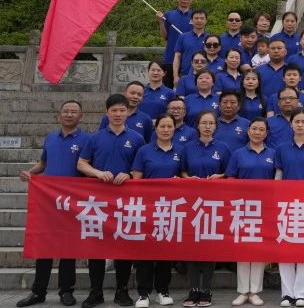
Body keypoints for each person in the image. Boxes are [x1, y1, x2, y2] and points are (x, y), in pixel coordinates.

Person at [17, 100, 89, 308]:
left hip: (72, 202)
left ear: (81, 116)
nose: (69, 115)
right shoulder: (50, 137)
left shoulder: (87, 139)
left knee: (68, 248)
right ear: (59, 115)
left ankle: (66, 291)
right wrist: (29, 172)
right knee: (44, 247)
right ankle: (38, 292)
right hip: (48, 201)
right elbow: (43, 163)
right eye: (66, 111)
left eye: (74, 112)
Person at [76, 93, 145, 308]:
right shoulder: (94, 138)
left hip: (126, 200)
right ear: (107, 113)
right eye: (114, 110)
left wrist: (130, 175)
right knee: (96, 246)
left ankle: (122, 291)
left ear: (127, 113)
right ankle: (95, 292)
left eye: (122, 110)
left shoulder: (137, 138)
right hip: (98, 200)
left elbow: (142, 167)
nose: (118, 114)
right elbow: (81, 164)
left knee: (123, 245)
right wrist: (97, 173)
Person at [131, 116, 182, 308]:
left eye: (170, 126)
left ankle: (163, 290)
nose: (166, 130)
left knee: (165, 253)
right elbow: (136, 179)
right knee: (144, 252)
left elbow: (185, 175)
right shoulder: (144, 150)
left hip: (171, 208)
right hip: (147, 207)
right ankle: (143, 293)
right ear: (156, 128)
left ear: (174, 129)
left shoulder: (180, 151)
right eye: (162, 126)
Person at [275, 109, 304, 308]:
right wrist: (277, 198)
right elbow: (278, 175)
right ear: (291, 124)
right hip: (286, 204)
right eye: (297, 121)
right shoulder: (281, 148)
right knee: (285, 248)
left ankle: (302, 293)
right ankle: (287, 293)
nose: (300, 125)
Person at [226, 118, 276, 306]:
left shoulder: (273, 153)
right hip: (242, 207)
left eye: (261, 130)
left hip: (264, 207)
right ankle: (242, 291)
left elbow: (278, 178)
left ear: (266, 133)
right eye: (254, 129)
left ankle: (254, 291)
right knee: (243, 249)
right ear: (248, 131)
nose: (257, 132)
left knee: (258, 250)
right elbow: (231, 178)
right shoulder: (238, 153)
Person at [157, 0, 194, 87]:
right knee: (168, 89)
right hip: (170, 57)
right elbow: (164, 37)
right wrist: (161, 22)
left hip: (188, 60)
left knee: (188, 88)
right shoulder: (169, 15)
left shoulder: (195, 17)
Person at [173, 9, 209, 87]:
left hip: (205, 77)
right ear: (191, 21)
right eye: (196, 18)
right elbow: (177, 57)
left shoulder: (210, 39)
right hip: (184, 75)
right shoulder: (183, 37)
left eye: (202, 18)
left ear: (206, 21)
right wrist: (175, 76)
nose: (199, 20)